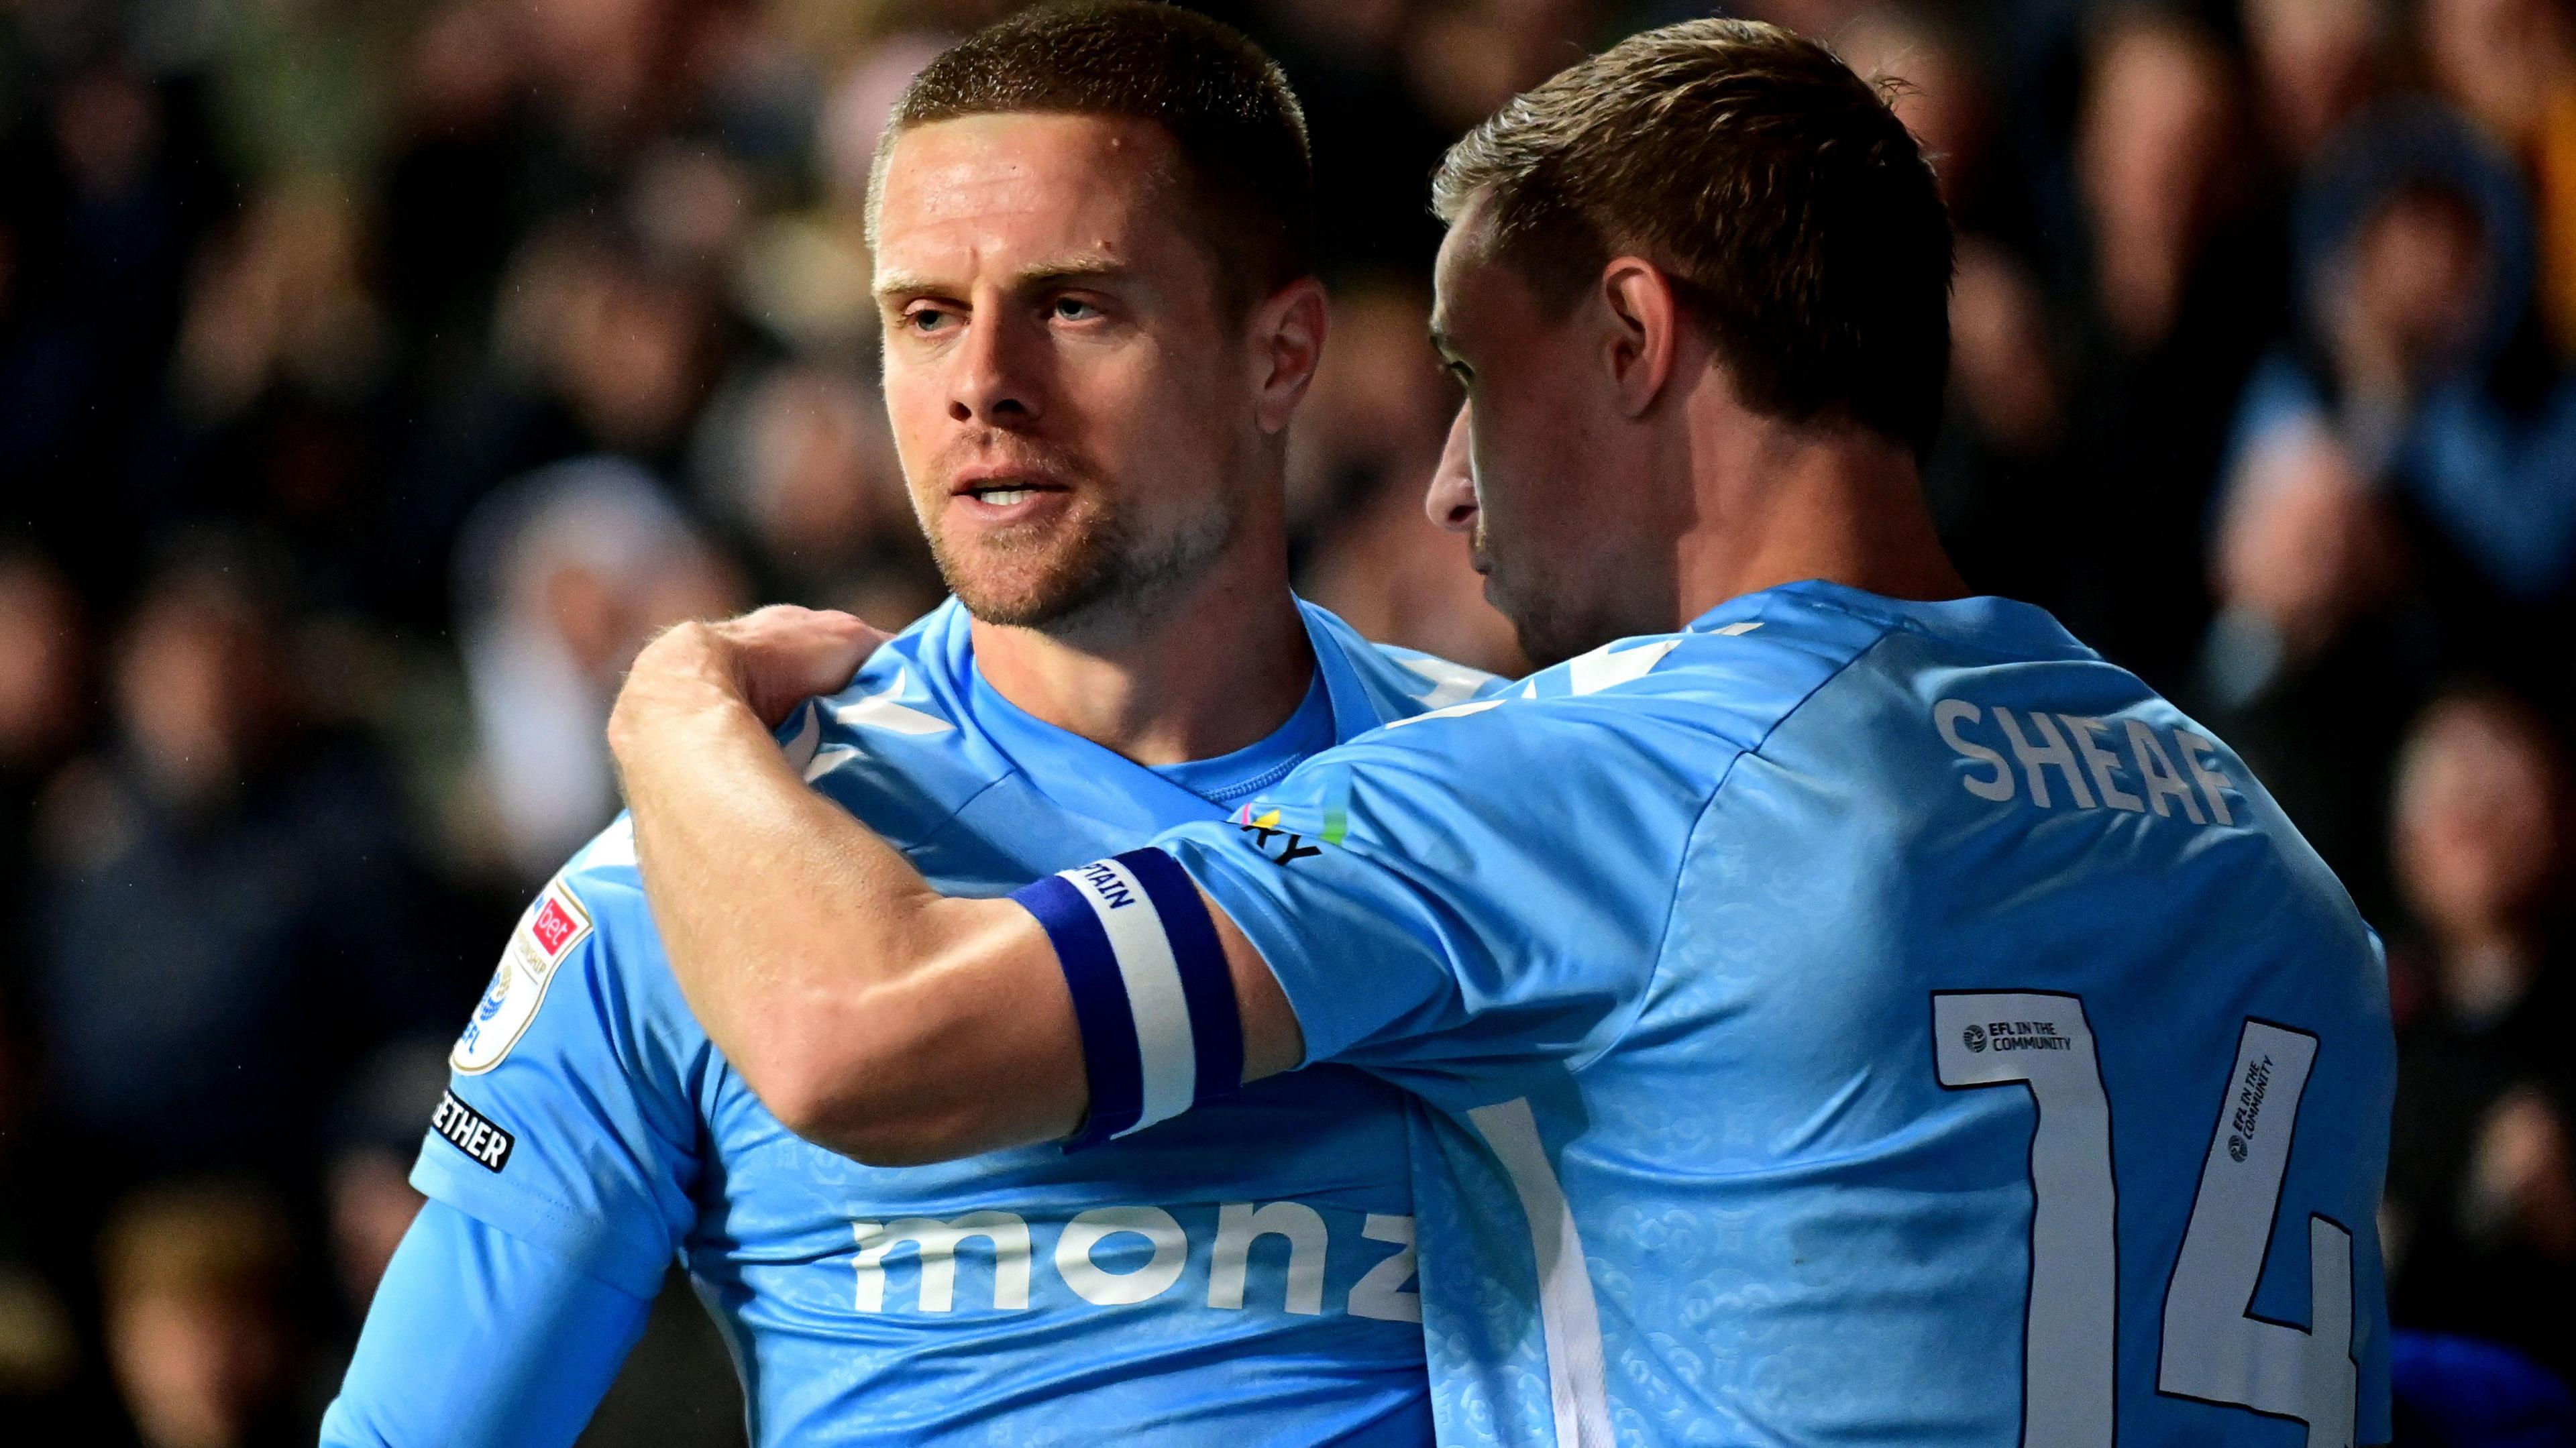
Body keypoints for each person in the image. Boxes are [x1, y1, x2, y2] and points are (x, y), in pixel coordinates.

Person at [609, 17, 2399, 1447]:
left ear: (1631, 338)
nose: (1452, 490)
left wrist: (676, 705)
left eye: (1475, 373)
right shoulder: (2249, 829)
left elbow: (862, 1035)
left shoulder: (1582, 779)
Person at [325, 6, 1495, 1443]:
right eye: (925, 313)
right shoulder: (703, 875)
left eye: (1075, 304)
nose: (982, 383)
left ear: (1280, 351)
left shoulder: (1514, 800)